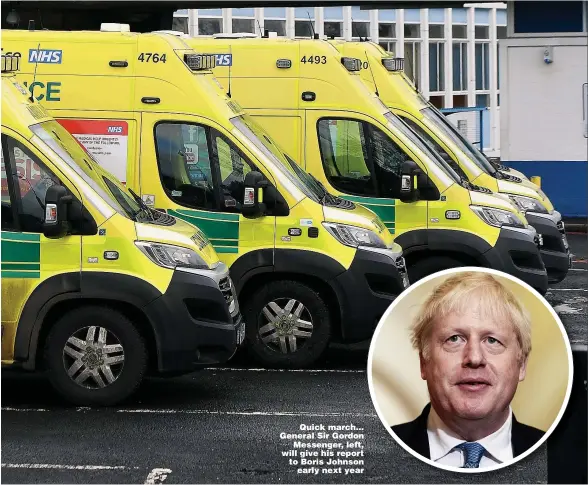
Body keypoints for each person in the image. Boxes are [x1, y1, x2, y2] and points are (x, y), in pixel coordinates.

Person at [391, 272, 544, 469]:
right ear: (423, 362)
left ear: (521, 364)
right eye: (454, 339)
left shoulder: (567, 458)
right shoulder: (376, 456)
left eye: (492, 340)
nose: (474, 358)